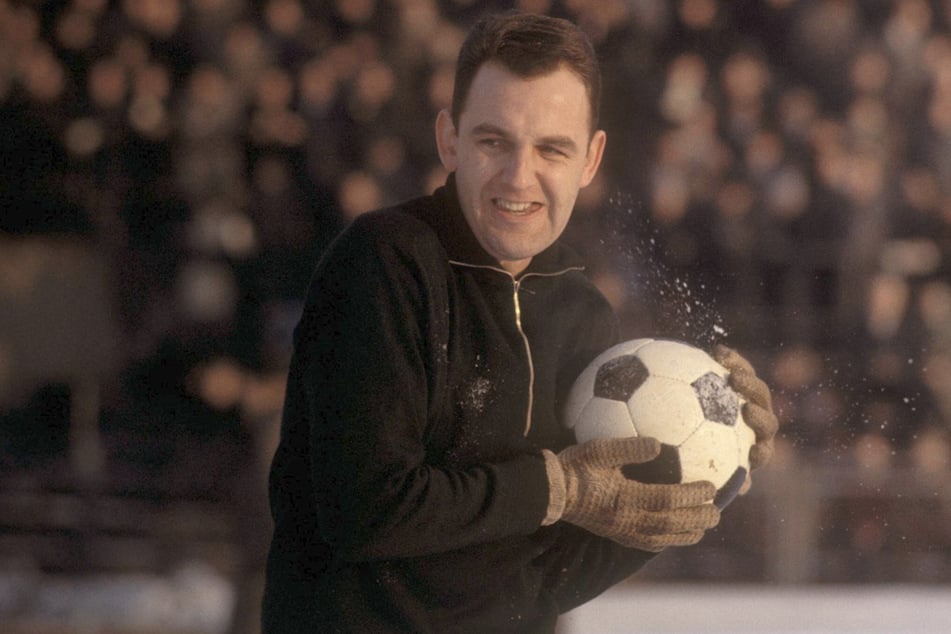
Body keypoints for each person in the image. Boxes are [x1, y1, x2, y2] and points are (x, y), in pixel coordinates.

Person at [261, 11, 778, 633]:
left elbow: (543, 578)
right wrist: (558, 487)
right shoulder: (384, 263)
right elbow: (365, 509)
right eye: (492, 142)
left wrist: (699, 480)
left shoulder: (581, 310)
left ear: (590, 159)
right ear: (449, 140)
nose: (519, 177)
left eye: (551, 149)